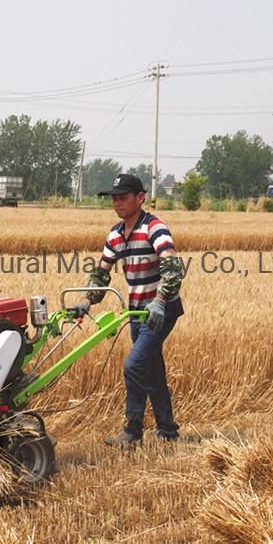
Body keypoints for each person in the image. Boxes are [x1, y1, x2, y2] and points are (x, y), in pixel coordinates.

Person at [72, 174, 185, 447]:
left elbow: (173, 268)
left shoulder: (154, 228)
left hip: (161, 311)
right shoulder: (115, 234)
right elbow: (101, 274)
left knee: (134, 365)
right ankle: (167, 430)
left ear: (140, 198)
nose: (117, 203)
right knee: (152, 370)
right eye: (114, 198)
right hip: (136, 312)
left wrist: (159, 301)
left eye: (123, 197)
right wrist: (86, 301)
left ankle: (132, 431)